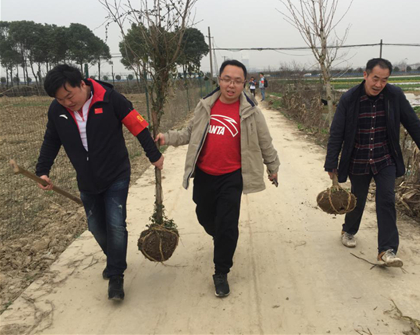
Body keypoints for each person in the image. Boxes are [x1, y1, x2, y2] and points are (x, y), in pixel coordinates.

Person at [36, 64, 164, 301]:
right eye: (60, 99)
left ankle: (116, 276)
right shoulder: (57, 110)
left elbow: (137, 125)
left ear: (81, 84)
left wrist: (154, 155)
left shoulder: (109, 98)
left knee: (116, 225)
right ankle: (115, 257)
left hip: (116, 174)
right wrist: (42, 171)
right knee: (96, 227)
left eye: (69, 96)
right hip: (86, 180)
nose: (67, 102)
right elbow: (51, 140)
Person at [155, 59, 279, 297]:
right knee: (203, 215)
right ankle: (219, 235)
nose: (231, 85)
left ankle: (221, 271)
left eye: (237, 81)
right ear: (219, 80)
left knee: (227, 225)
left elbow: (266, 142)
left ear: (244, 83)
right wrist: (166, 138)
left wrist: (272, 167)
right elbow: (190, 133)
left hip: (232, 176)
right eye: (227, 79)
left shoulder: (251, 112)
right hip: (204, 174)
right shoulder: (205, 106)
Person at [324, 58, 420, 267]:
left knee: (387, 200)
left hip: (385, 158)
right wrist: (331, 162)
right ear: (365, 75)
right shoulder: (349, 99)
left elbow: (411, 120)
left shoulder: (394, 96)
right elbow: (336, 132)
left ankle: (387, 251)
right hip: (358, 159)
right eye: (375, 79)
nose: (379, 85)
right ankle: (349, 230)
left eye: (384, 80)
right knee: (358, 198)